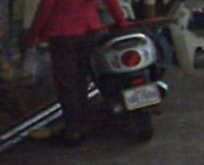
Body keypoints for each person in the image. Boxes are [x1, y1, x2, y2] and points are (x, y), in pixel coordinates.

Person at [25, 0, 129, 147]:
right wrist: (122, 22)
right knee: (82, 80)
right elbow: (111, 2)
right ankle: (84, 124)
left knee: (67, 85)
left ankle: (73, 130)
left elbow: (46, 7)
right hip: (88, 31)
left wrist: (33, 35)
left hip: (62, 34)